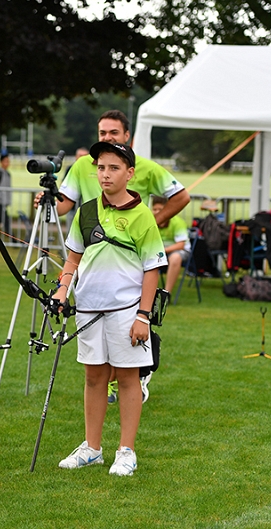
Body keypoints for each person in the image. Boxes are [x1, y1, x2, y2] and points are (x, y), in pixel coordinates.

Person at [36, 109, 189, 402]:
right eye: (102, 133)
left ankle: (134, 376)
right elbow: (65, 204)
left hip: (130, 264)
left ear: (127, 136)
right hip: (91, 256)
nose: (107, 138)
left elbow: (181, 196)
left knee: (126, 342)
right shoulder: (82, 166)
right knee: (95, 364)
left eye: (113, 133)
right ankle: (109, 389)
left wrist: (150, 225)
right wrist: (49, 201)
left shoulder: (145, 167)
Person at [52, 141, 165, 476]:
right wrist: (62, 289)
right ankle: (92, 448)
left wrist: (143, 315)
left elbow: (152, 269)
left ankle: (126, 451)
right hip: (89, 309)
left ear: (130, 173)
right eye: (101, 167)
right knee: (94, 377)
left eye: (114, 168)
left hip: (127, 311)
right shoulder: (86, 211)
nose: (105, 174)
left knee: (129, 378)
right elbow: (73, 258)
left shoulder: (143, 215)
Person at [152, 195, 191, 293]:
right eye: (154, 209)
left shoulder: (177, 222)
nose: (157, 212)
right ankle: (147, 292)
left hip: (178, 250)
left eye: (160, 209)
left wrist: (161, 251)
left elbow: (180, 245)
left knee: (175, 258)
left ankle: (166, 293)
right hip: (159, 250)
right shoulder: (150, 222)